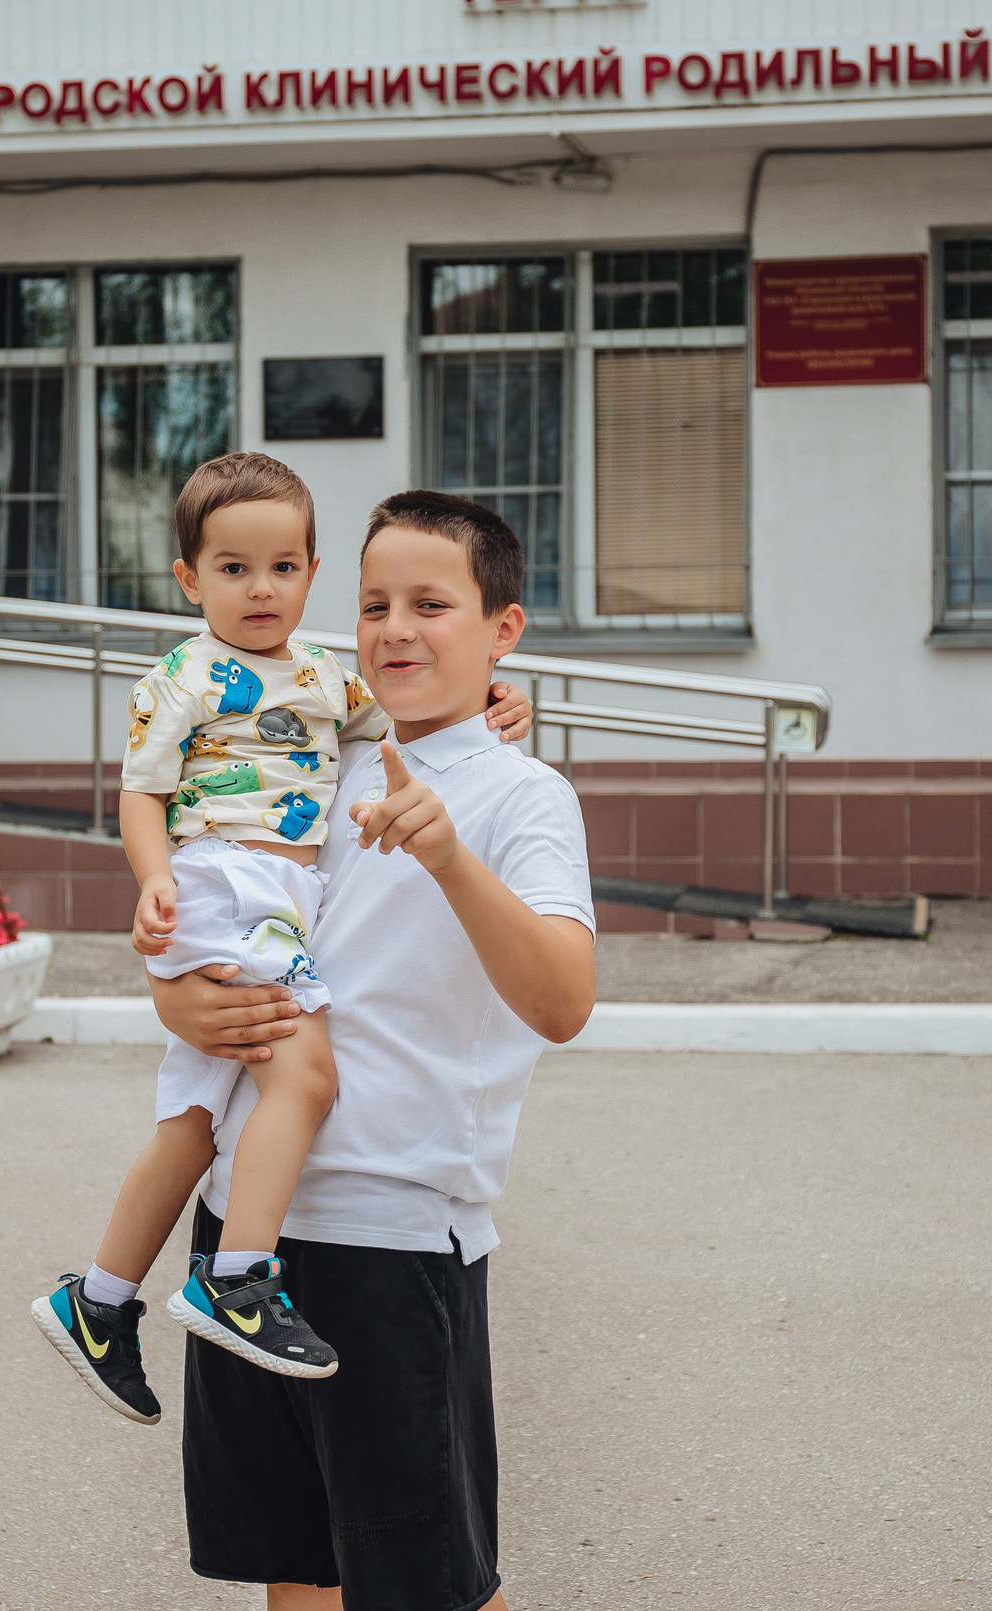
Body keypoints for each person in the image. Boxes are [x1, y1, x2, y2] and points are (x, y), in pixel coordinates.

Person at [154, 489, 597, 1611]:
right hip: (245, 1239)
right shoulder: (314, 759)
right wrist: (181, 1008)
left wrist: (450, 856)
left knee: (428, 1584)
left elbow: (562, 1001)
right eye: (372, 604)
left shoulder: (521, 794)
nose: (396, 627)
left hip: (390, 1237)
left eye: (431, 603)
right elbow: (220, 935)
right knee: (298, 1569)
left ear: (503, 630)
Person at [31, 454, 533, 1422]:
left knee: (195, 1124)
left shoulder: (324, 679)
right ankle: (239, 1278)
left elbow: (423, 712)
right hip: (224, 878)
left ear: (309, 572)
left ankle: (98, 1300)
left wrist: (504, 701)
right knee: (306, 1077)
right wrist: (156, 883)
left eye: (284, 568)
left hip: (278, 896)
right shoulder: (179, 675)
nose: (260, 589)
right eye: (231, 569)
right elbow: (141, 792)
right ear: (188, 579)